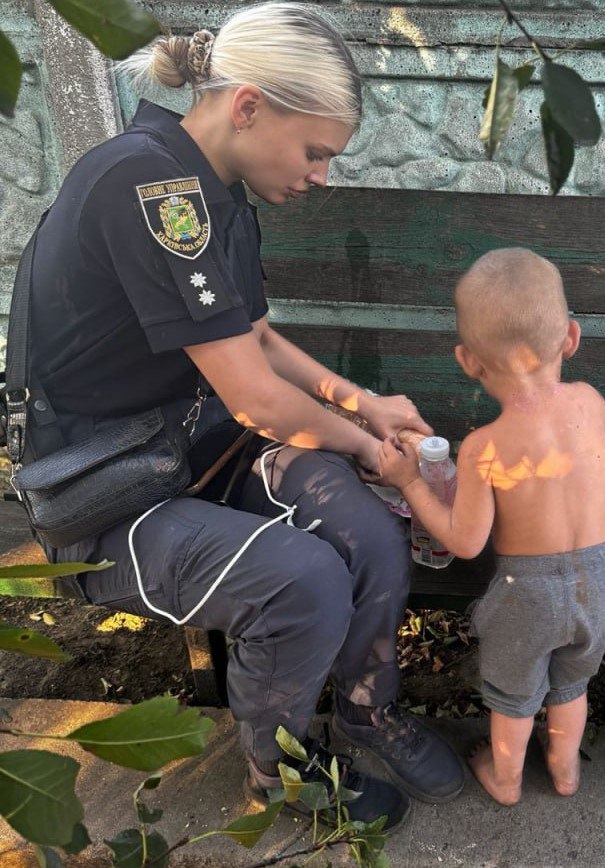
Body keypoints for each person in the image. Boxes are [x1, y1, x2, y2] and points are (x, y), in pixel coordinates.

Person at [19, 1, 463, 828]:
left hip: (187, 451)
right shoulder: (147, 186)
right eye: (315, 151)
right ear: (250, 106)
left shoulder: (214, 188)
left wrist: (364, 405)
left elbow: (253, 337)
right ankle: (279, 773)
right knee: (304, 581)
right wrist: (372, 445)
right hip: (106, 498)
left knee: (366, 529)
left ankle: (367, 706)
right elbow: (254, 397)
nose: (322, 175)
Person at [378, 248, 605, 805]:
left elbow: (465, 541)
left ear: (468, 360)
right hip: (602, 575)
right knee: (572, 683)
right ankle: (565, 773)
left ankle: (505, 779)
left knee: (514, 696)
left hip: (530, 595)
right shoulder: (590, 402)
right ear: (570, 338)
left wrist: (409, 481)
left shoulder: (484, 448)